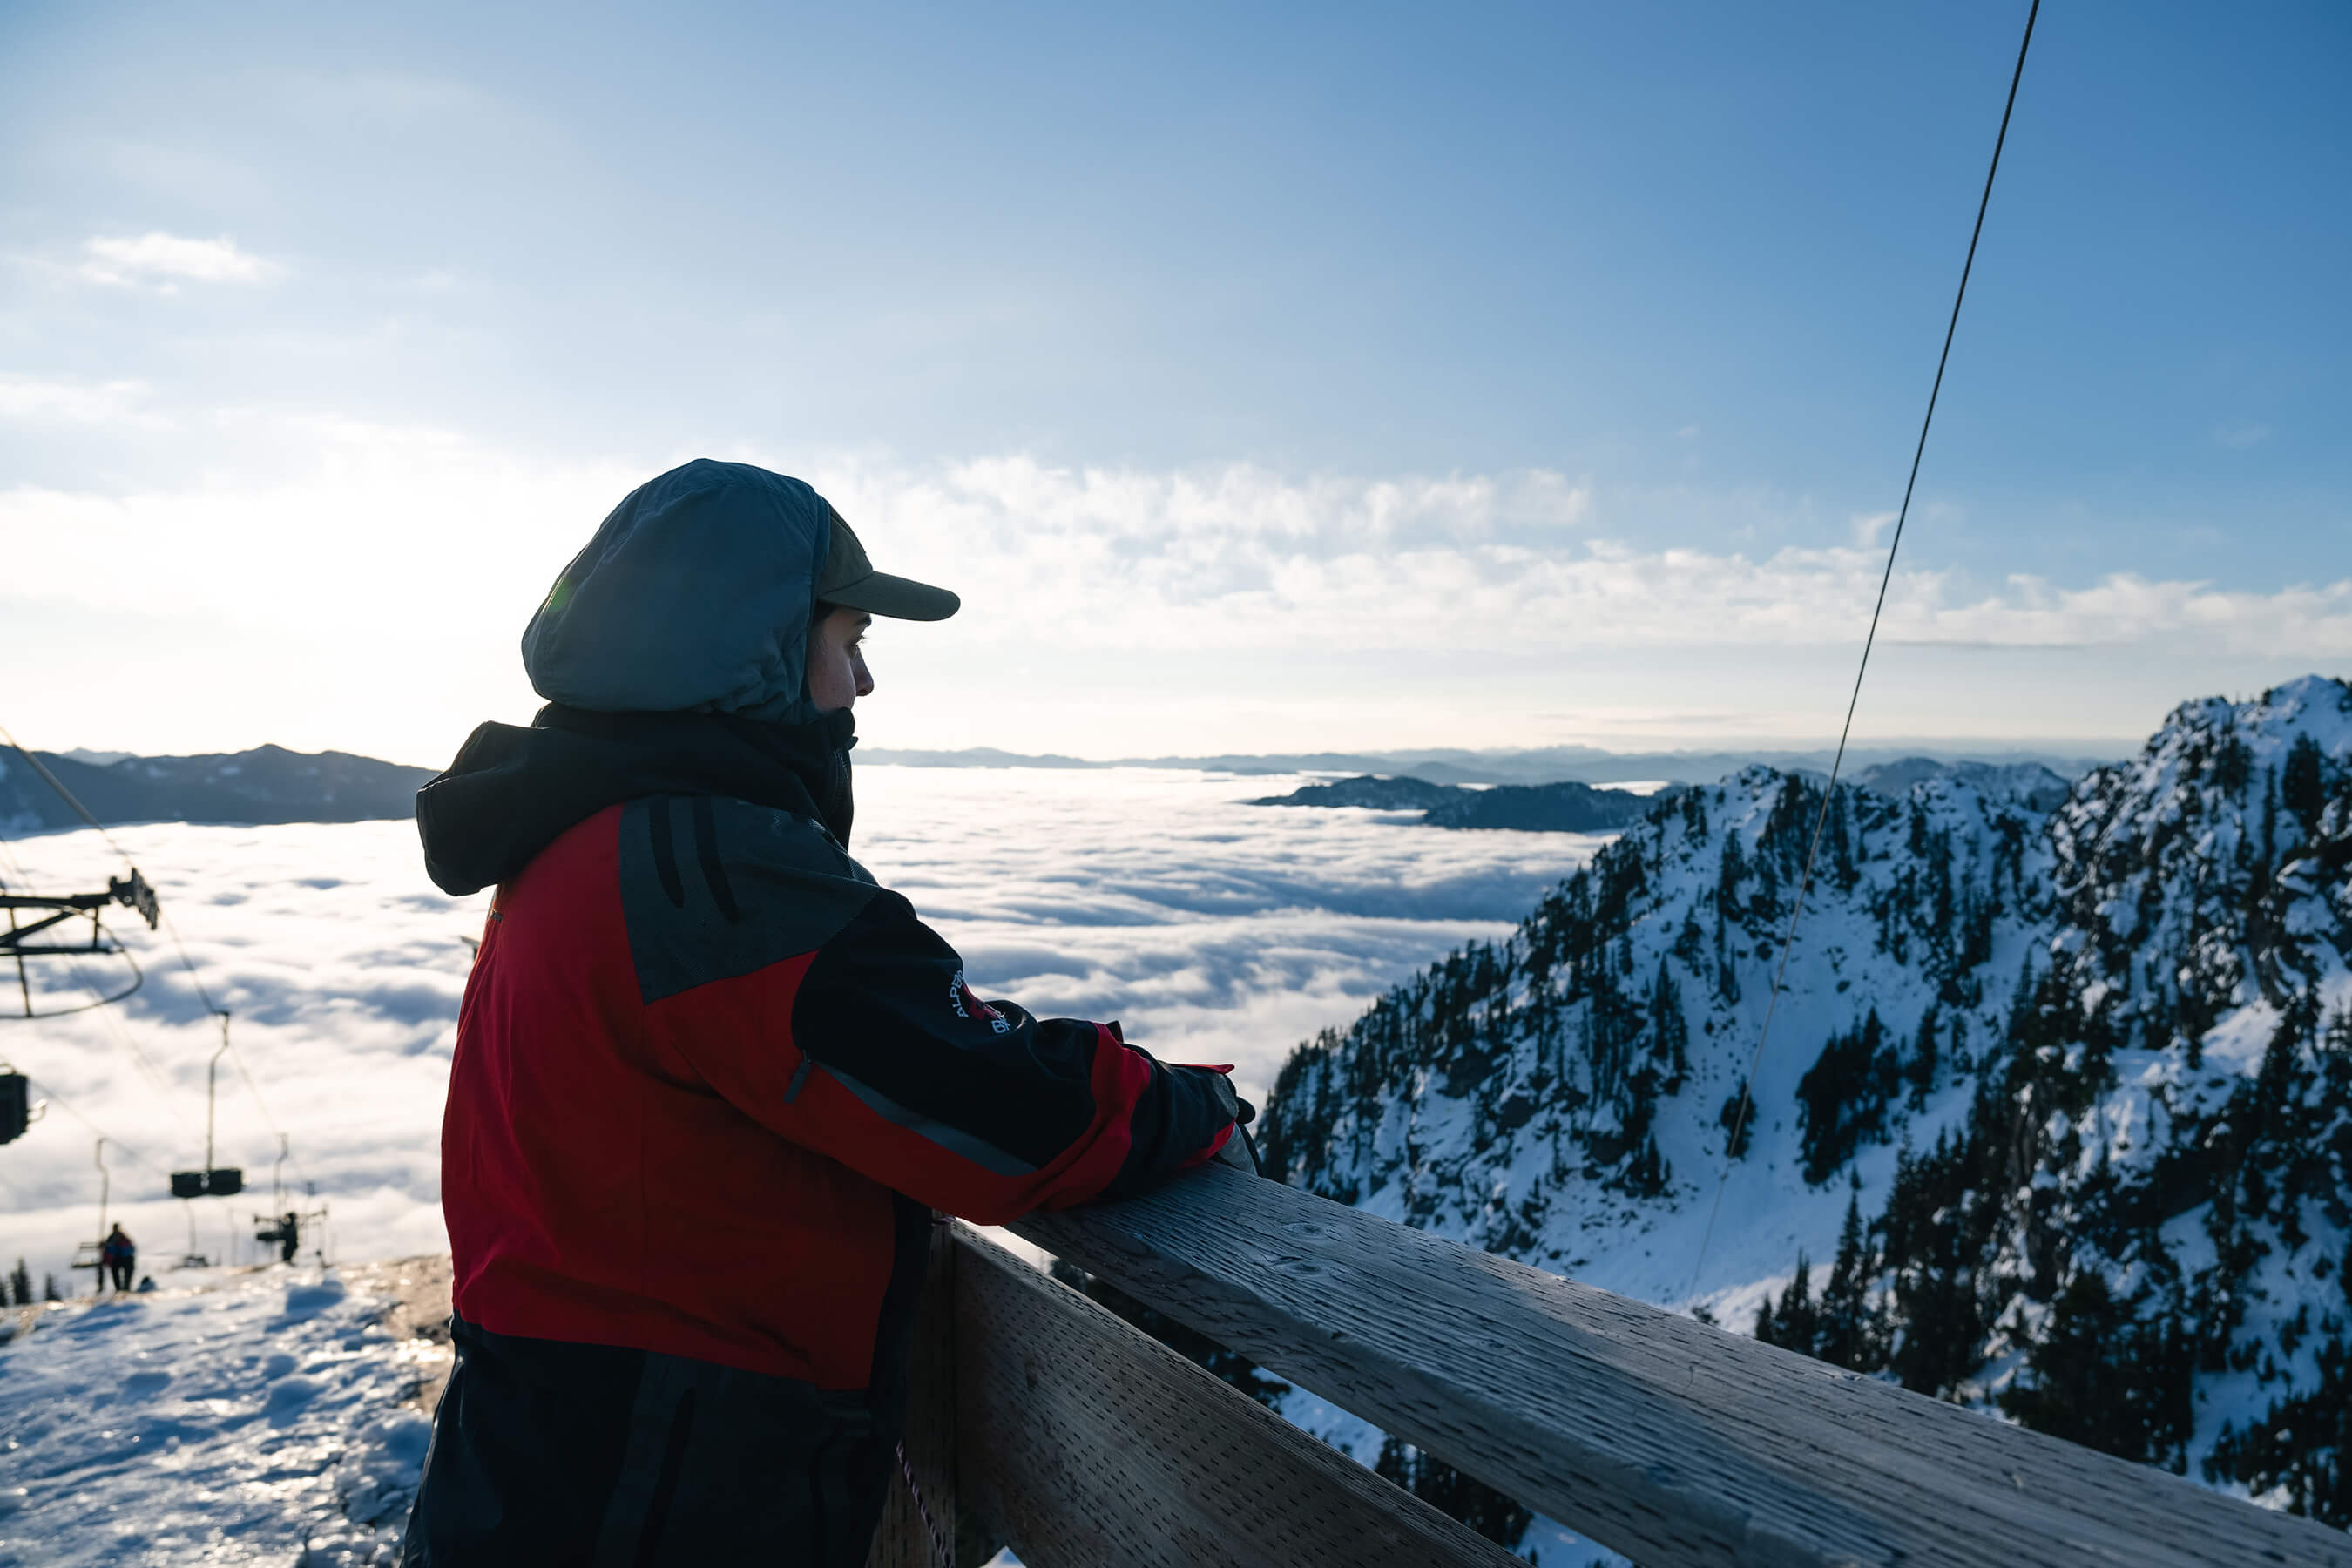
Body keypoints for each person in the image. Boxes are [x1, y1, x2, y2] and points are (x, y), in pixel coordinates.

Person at [400, 461, 1243, 1567]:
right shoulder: (706, 868)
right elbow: (993, 1108)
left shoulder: (583, 837)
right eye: (848, 642)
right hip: (651, 1491)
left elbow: (848, 1053)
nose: (864, 684)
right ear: (753, 650)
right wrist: (1199, 1107)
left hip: (553, 1459)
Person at [98, 1225, 134, 1293]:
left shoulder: (121, 1238)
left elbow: (109, 1250)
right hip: (122, 1259)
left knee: (121, 1273)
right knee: (117, 1273)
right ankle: (121, 1289)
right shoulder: (116, 1237)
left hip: (122, 1259)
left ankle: (124, 1288)